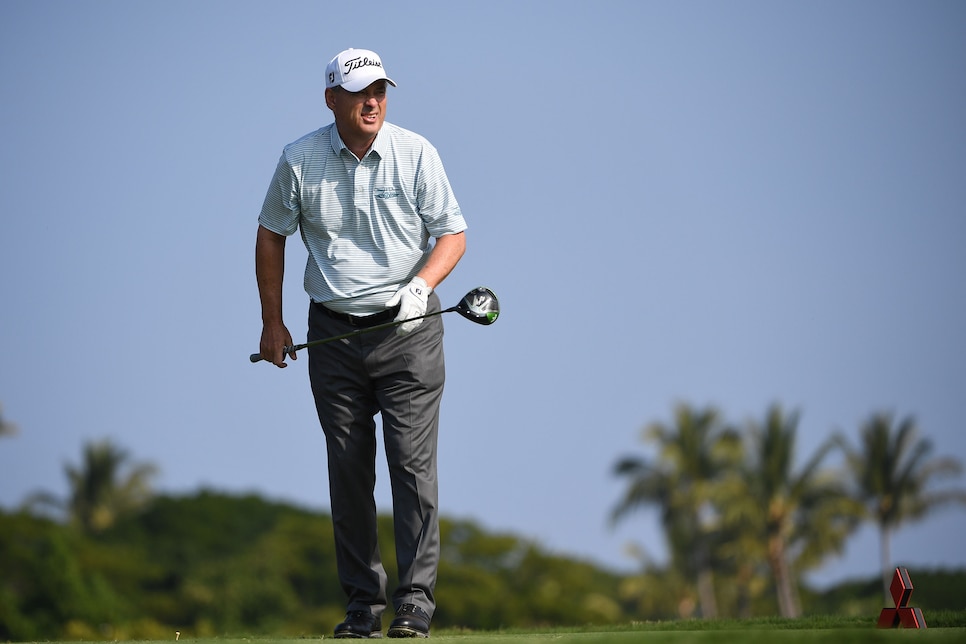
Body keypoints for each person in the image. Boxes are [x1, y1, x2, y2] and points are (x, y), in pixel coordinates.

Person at [254, 48, 466, 638]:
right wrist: (273, 322)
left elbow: (452, 233)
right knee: (348, 469)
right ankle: (362, 608)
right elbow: (271, 236)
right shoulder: (298, 160)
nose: (372, 101)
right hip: (333, 334)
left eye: (380, 90)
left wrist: (422, 286)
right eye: (359, 91)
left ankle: (415, 603)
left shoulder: (416, 151)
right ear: (332, 100)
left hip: (409, 332)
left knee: (410, 464)